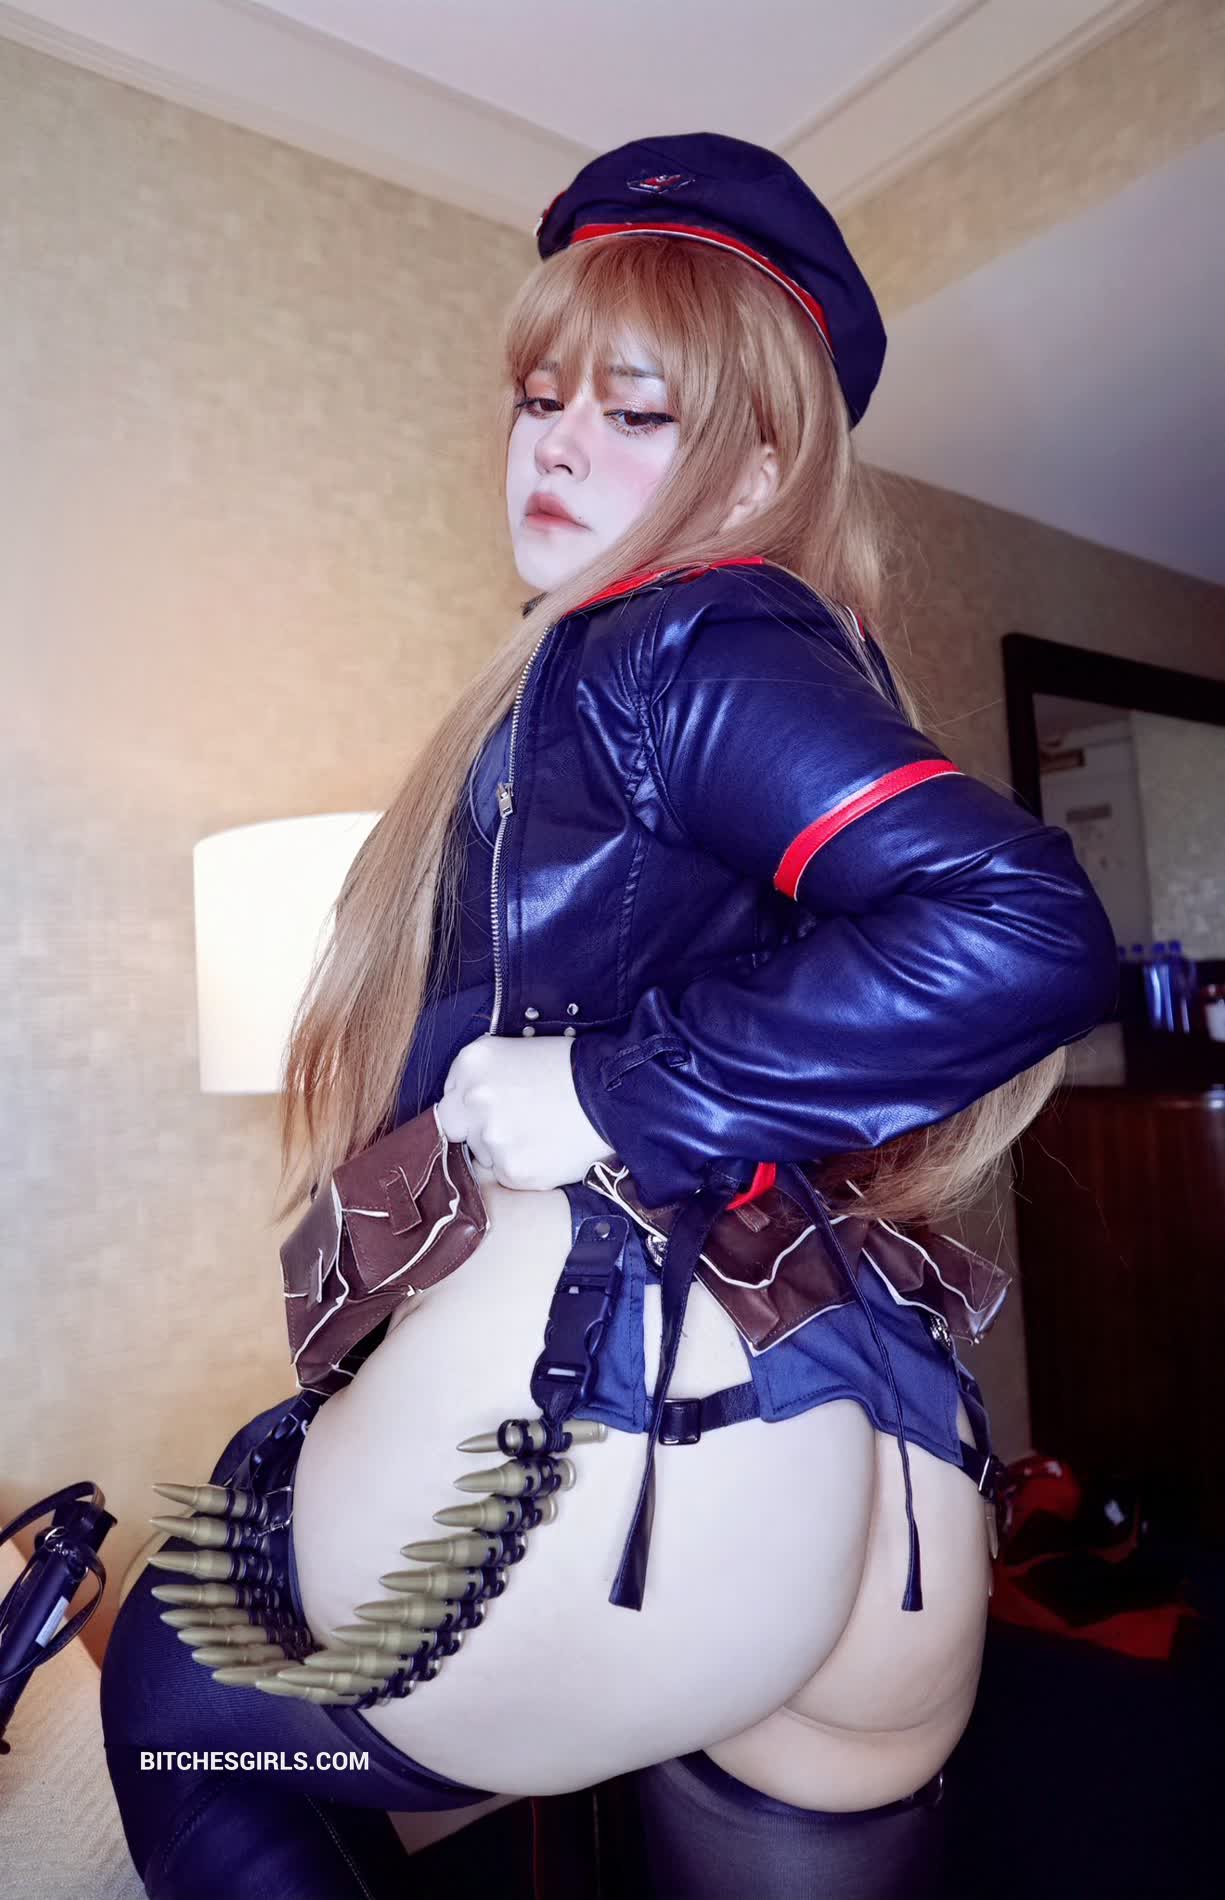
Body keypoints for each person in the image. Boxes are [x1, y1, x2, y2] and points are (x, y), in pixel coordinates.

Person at [100, 131, 1119, 1899]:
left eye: (636, 410)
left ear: (761, 464)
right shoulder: (770, 649)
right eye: (539, 395)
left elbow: (1022, 928)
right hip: (868, 1478)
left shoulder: (665, 642)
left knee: (172, 1683)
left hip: (630, 1443)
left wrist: (610, 1092)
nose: (556, 445)